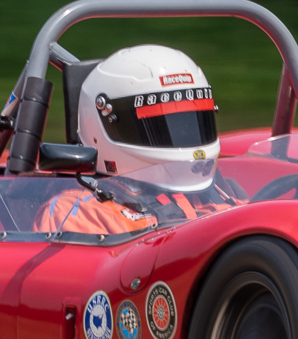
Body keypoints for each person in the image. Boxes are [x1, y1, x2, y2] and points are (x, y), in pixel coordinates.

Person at [34, 44, 246, 236]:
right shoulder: (81, 214)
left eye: (191, 122)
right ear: (106, 123)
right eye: (162, 127)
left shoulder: (224, 192)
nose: (183, 134)